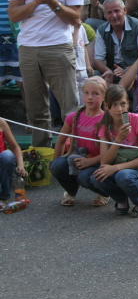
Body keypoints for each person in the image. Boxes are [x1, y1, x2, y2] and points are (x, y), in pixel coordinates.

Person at [8, 0, 83, 148]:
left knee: (70, 110)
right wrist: (37, 2)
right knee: (36, 111)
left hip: (58, 45)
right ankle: (40, 158)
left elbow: (75, 17)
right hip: (28, 47)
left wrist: (53, 4)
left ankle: (74, 154)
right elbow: (14, 14)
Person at [90, 85, 138, 218]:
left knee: (123, 176)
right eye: (114, 104)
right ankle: (121, 199)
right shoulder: (105, 125)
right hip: (120, 168)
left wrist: (115, 168)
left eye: (123, 104)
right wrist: (118, 139)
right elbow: (104, 161)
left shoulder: (137, 120)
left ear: (128, 104)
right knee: (96, 177)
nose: (119, 109)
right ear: (106, 106)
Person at [49, 77, 110, 207]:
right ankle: (70, 191)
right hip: (76, 157)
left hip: (98, 162)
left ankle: (104, 193)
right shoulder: (73, 117)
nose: (90, 97)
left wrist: (90, 161)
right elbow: (60, 142)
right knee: (56, 165)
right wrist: (56, 165)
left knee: (85, 178)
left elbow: (110, 152)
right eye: (86, 93)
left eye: (95, 93)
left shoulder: (106, 119)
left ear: (104, 97)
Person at [93, 0, 138, 84]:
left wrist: (127, 70)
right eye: (109, 12)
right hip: (113, 70)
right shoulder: (101, 30)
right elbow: (98, 59)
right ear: (104, 15)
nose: (114, 16)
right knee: (95, 76)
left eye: (117, 11)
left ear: (125, 11)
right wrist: (108, 71)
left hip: (135, 70)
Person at [0, 118, 27, 203]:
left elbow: (15, 147)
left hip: (1, 162)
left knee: (7, 155)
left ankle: (4, 196)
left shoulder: (1, 122)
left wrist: (21, 165)